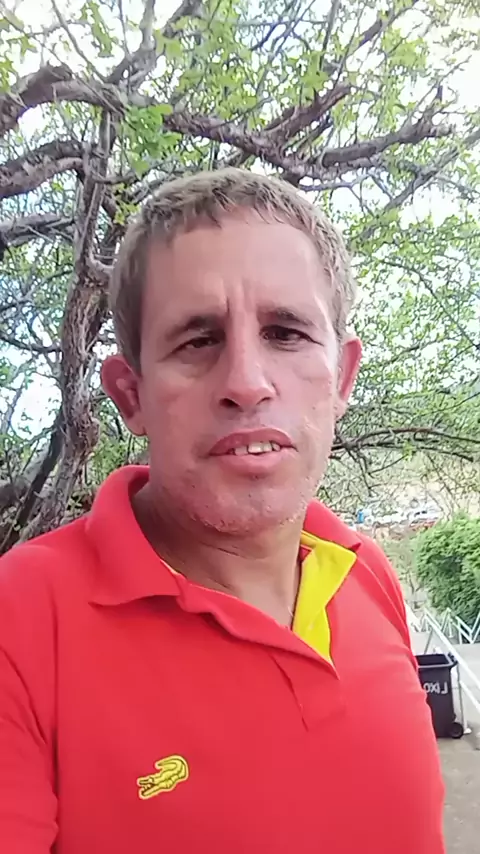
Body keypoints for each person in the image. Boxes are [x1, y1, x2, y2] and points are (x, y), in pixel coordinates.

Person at [0, 168, 444, 853]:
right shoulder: (22, 625)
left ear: (343, 378)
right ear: (131, 395)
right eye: (198, 340)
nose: (246, 382)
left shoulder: (366, 574)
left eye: (286, 333)